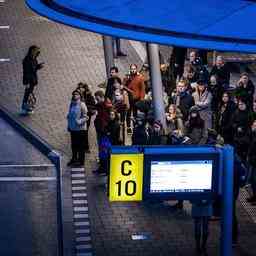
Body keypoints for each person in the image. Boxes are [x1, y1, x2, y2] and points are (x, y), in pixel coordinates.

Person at [67, 90, 88, 167]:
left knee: (80, 146)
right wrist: (69, 126)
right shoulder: (72, 104)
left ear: (80, 95)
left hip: (80, 129)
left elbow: (86, 117)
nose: (75, 95)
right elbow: (70, 115)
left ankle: (81, 161)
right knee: (74, 145)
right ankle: (74, 159)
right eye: (74, 94)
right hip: (73, 129)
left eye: (76, 94)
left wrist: (79, 122)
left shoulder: (82, 105)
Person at [21, 45, 44, 113]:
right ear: (32, 51)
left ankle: (28, 107)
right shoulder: (27, 60)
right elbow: (26, 71)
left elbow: (33, 68)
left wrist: (38, 66)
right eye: (35, 50)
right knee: (28, 94)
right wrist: (27, 83)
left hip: (32, 80)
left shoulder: (34, 58)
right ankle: (25, 106)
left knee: (29, 93)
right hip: (29, 80)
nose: (37, 52)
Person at [123, 64, 145, 134]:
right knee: (128, 113)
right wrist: (127, 79)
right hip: (129, 98)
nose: (133, 70)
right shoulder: (127, 77)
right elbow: (123, 85)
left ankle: (135, 125)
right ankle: (129, 127)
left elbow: (142, 89)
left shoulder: (140, 77)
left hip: (136, 98)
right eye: (132, 69)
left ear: (136, 69)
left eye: (134, 69)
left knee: (135, 112)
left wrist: (142, 98)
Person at [76, 82, 96, 152]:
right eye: (79, 88)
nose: (80, 89)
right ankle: (80, 145)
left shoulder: (89, 95)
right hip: (79, 116)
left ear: (84, 88)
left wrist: (85, 107)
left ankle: (86, 147)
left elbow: (93, 105)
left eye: (82, 88)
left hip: (86, 116)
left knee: (85, 131)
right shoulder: (77, 96)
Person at [247, 119, 256, 205]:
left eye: (254, 125)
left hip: (254, 160)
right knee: (253, 180)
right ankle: (254, 196)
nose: (252, 126)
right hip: (252, 161)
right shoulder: (253, 134)